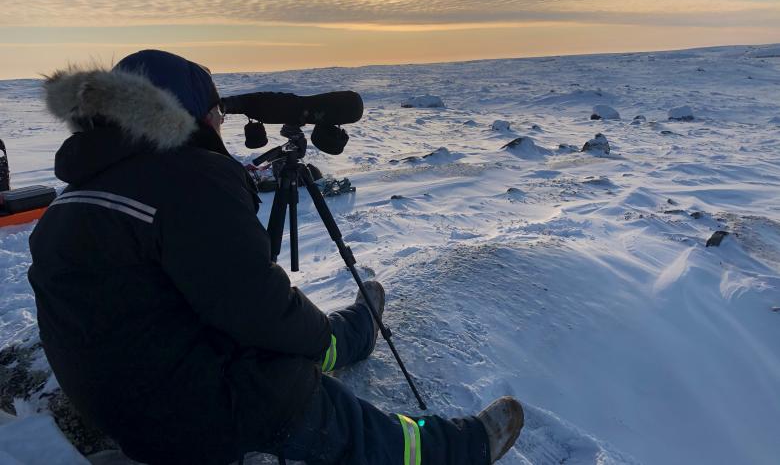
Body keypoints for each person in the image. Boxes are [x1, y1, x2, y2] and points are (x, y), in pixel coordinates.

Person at [28, 50, 524, 465]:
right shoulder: (189, 178)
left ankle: (351, 334)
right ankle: (455, 448)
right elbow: (256, 309)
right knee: (304, 396)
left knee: (278, 330)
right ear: (186, 115)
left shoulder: (77, 193)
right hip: (182, 415)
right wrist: (306, 341)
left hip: (108, 399)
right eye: (215, 109)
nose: (222, 120)